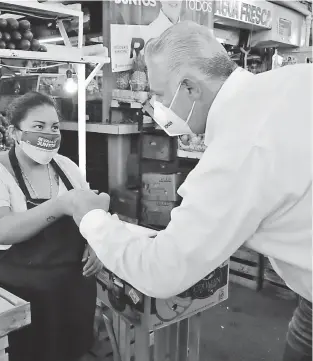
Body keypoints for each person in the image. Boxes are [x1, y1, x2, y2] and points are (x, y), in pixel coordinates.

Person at [70, 21, 312, 361]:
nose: (156, 108)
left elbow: (162, 272)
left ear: (190, 88)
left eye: (158, 95)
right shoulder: (295, 80)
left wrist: (91, 218)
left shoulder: (239, 150)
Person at [0, 92, 103, 361]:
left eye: (54, 127)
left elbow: (91, 211)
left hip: (69, 296)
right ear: (15, 132)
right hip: (16, 296)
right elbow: (0, 230)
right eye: (38, 127)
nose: (49, 135)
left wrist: (95, 242)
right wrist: (60, 205)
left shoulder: (68, 168)